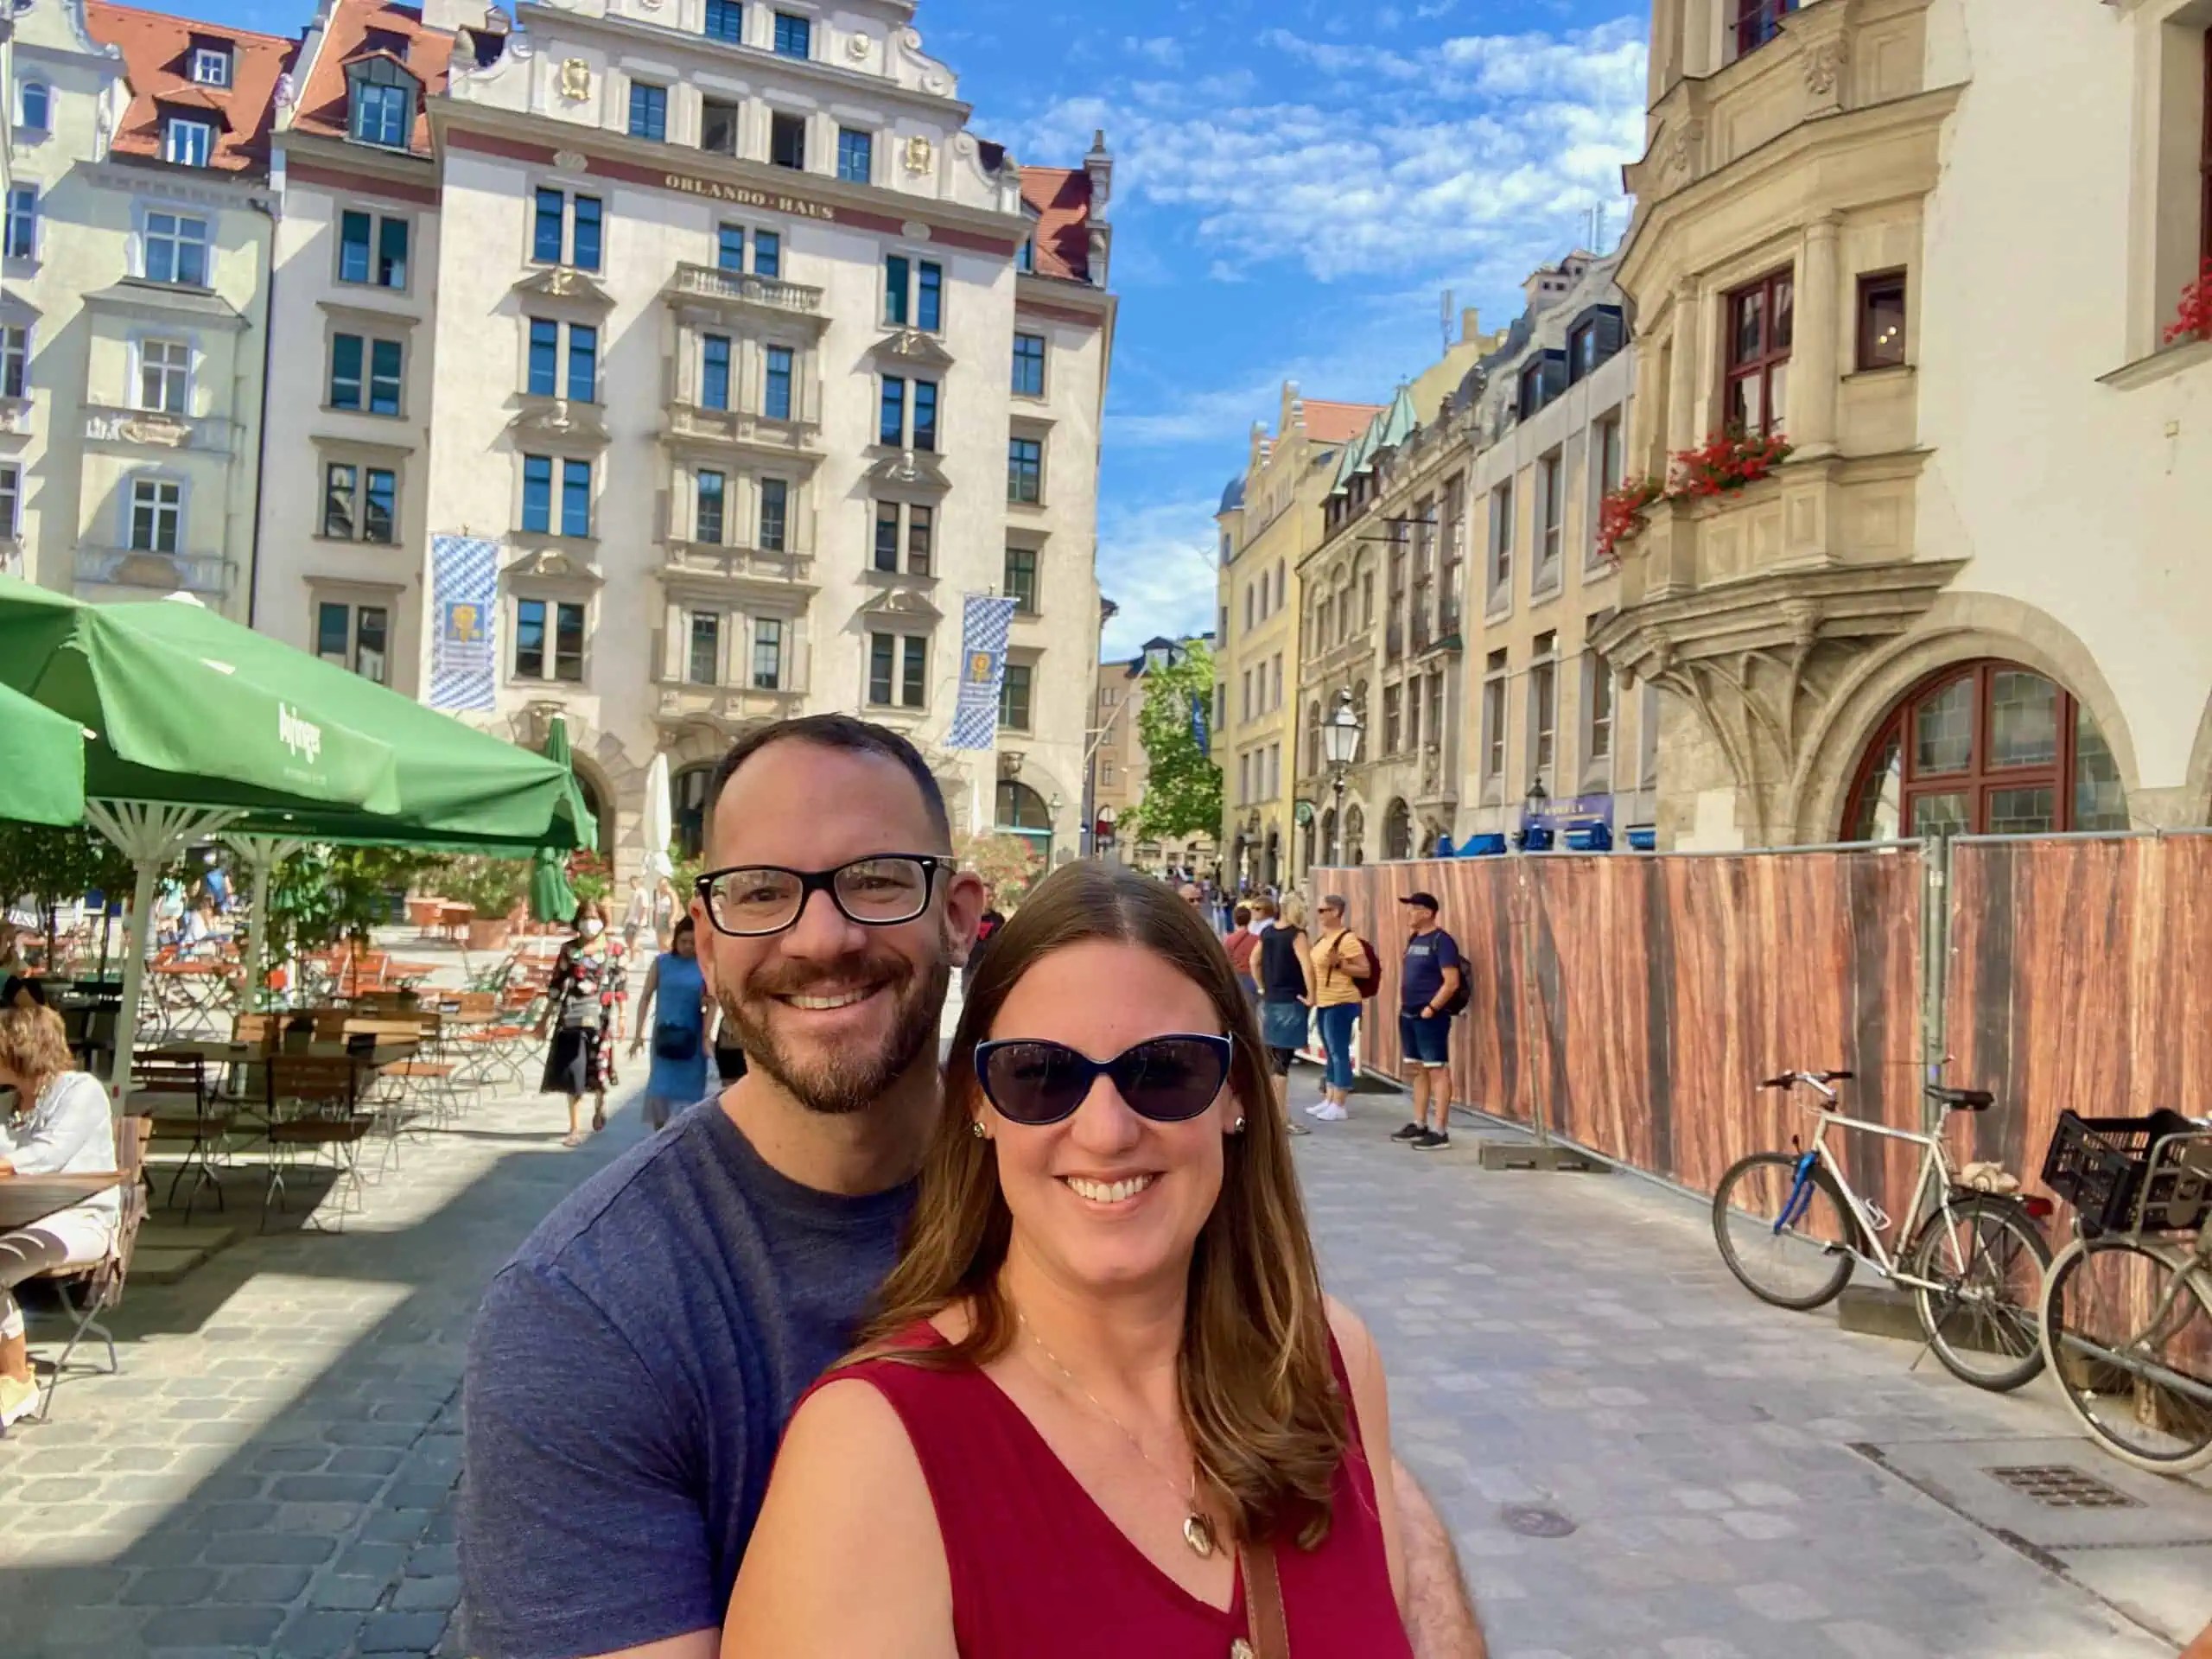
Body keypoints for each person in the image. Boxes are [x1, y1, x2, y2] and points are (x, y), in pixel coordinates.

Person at [459, 715, 1484, 1659]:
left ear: (958, 915)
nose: (820, 938)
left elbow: (1342, 1477)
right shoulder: (588, 1313)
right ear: (707, 931)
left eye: (873, 879)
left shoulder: (1207, 1272)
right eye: (762, 891)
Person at [727, 862, 1415, 1655]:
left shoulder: (1327, 1362)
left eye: (1165, 1070)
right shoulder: (872, 1456)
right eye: (1042, 1076)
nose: (1106, 1131)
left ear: (1236, 1095)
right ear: (981, 1105)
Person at [0, 1005, 119, 1428]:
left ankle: (16, 1380)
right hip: (19, 1220)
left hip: (82, 1220)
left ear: (19, 1047)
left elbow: (47, 1156)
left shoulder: (80, 1090)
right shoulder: (9, 1104)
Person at [536, 899, 626, 1148]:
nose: (589, 922)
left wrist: (622, 1017)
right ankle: (575, 1127)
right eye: (585, 917)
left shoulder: (614, 951)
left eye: (594, 917)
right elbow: (556, 987)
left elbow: (620, 986)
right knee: (574, 1070)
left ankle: (599, 1105)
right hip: (571, 1019)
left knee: (599, 1067)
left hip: (601, 1020)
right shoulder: (568, 951)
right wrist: (543, 1020)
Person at [1390, 893, 1463, 1153]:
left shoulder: (1442, 942)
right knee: (1417, 1069)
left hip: (1429, 1015)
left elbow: (1451, 981)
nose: (1409, 913)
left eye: (1414, 909)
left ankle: (1440, 1130)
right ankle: (1418, 1122)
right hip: (1409, 1012)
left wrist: (1432, 1008)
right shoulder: (1414, 940)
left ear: (1428, 912)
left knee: (1437, 1069)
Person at [629, 918, 711, 1131]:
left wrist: (706, 1036)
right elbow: (646, 996)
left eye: (693, 943)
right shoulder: (662, 963)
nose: (688, 947)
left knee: (689, 1098)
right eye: (683, 941)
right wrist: (637, 1035)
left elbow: (713, 1001)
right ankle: (659, 1140)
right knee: (660, 1091)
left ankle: (685, 1141)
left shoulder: (706, 967)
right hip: (664, 1037)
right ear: (676, 940)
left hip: (691, 1039)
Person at [1307, 893, 1373, 1124]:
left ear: (1336, 912)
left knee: (1339, 1052)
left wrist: (1341, 964)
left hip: (1341, 1001)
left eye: (1323, 910)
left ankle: (1340, 1103)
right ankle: (1330, 1098)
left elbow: (1365, 970)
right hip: (1325, 1001)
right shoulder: (1325, 938)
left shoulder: (1347, 940)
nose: (1319, 914)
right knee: (1330, 1052)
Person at [1255, 894, 1316, 1137]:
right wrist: (1312, 995)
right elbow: (1307, 966)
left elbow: (1254, 960)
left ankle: (1272, 1115)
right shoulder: (1296, 935)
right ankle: (1281, 1118)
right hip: (1291, 1001)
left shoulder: (1268, 932)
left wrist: (1262, 986)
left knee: (1272, 1060)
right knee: (1282, 1063)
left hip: (1271, 1000)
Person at [1222, 905, 1259, 1002]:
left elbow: (1225, 960)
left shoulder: (1229, 940)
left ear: (1234, 920)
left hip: (1237, 977)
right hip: (1252, 977)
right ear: (1250, 919)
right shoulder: (1257, 939)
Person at [621, 875, 652, 955]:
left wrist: (640, 920)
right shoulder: (633, 893)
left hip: (637, 921)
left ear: (637, 882)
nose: (631, 884)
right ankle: (640, 951)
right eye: (630, 883)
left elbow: (645, 907)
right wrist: (624, 919)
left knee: (634, 941)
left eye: (632, 882)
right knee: (628, 941)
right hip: (630, 920)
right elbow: (629, 907)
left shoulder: (642, 892)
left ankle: (632, 960)